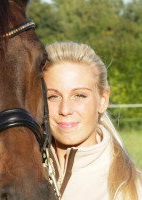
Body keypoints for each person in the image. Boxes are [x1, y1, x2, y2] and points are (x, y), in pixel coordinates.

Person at [43, 41, 142, 200]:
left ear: (103, 100)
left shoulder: (132, 191)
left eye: (79, 96)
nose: (65, 110)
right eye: (53, 97)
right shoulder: (16, 177)